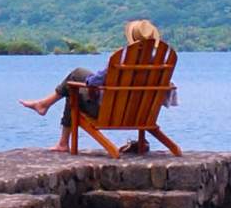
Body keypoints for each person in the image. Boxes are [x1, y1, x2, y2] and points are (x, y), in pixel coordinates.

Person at [20, 19, 162, 152]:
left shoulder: (122, 59)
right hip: (141, 114)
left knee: (73, 88)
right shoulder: (158, 64)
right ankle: (44, 105)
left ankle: (60, 138)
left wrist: (92, 84)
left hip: (110, 113)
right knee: (79, 74)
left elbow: (94, 82)